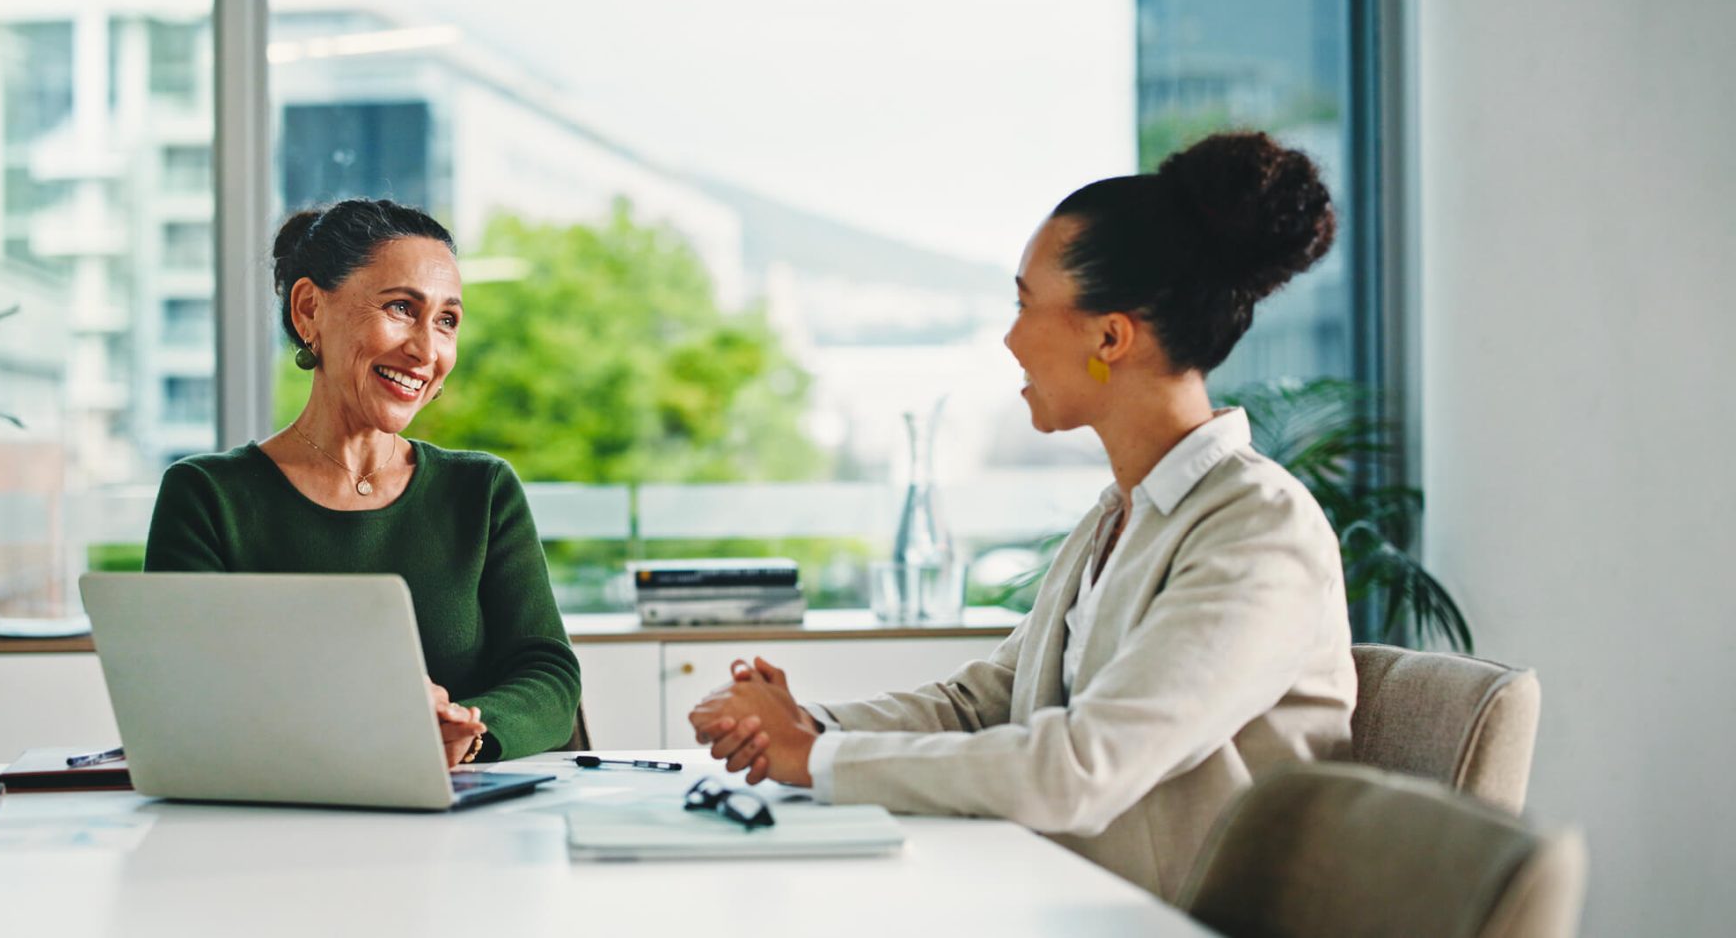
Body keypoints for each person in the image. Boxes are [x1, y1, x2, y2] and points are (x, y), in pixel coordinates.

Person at [689, 131, 1356, 897]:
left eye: (1024, 302)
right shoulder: (1123, 514)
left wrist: (811, 759)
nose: (1008, 335)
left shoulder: (1260, 531)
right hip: (1067, 899)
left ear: (1111, 335)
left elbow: (1082, 767)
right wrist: (809, 725)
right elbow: (985, 705)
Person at [145, 199, 582, 766]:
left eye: (447, 321)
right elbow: (179, 693)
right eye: (401, 308)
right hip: (269, 815)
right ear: (309, 310)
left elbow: (549, 674)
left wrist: (466, 731)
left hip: (462, 815)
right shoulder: (206, 496)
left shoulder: (482, 490)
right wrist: (377, 712)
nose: (427, 350)